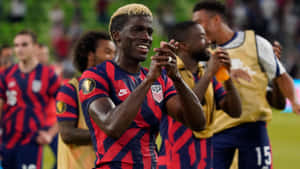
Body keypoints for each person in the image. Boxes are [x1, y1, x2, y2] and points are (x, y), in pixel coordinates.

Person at [79, 3, 206, 169]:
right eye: (137, 30)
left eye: (149, 31)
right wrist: (147, 81)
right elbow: (112, 126)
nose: (146, 37)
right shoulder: (95, 76)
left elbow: (198, 123)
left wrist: (177, 78)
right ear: (117, 36)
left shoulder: (159, 79)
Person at [192, 1, 300, 169]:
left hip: (253, 129)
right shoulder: (203, 54)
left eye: (200, 22)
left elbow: (281, 75)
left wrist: (293, 100)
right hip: (218, 131)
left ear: (216, 20)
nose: (197, 29)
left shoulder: (256, 43)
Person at [157, 21, 242, 169]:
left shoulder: (205, 75)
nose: (209, 42)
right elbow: (187, 110)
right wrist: (210, 73)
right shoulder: (166, 75)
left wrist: (226, 75)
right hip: (175, 162)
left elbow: (235, 111)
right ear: (184, 45)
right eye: (202, 37)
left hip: (204, 161)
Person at [0, 30, 61, 169]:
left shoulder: (48, 75)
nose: (19, 49)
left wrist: (50, 134)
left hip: (31, 141)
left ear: (35, 47)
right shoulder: (6, 75)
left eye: (24, 44)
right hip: (6, 142)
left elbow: (67, 106)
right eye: (16, 45)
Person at [56, 31, 116, 169]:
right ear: (90, 55)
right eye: (108, 52)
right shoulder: (71, 89)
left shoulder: (111, 90)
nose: (114, 58)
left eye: (115, 53)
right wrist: (112, 132)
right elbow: (67, 134)